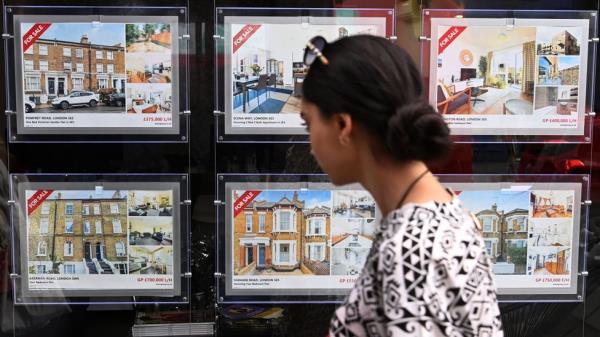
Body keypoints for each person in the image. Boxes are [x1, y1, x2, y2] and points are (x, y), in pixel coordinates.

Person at [301, 35, 503, 337]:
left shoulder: (408, 252)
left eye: (308, 123)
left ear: (343, 125)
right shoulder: (441, 211)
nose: (309, 144)